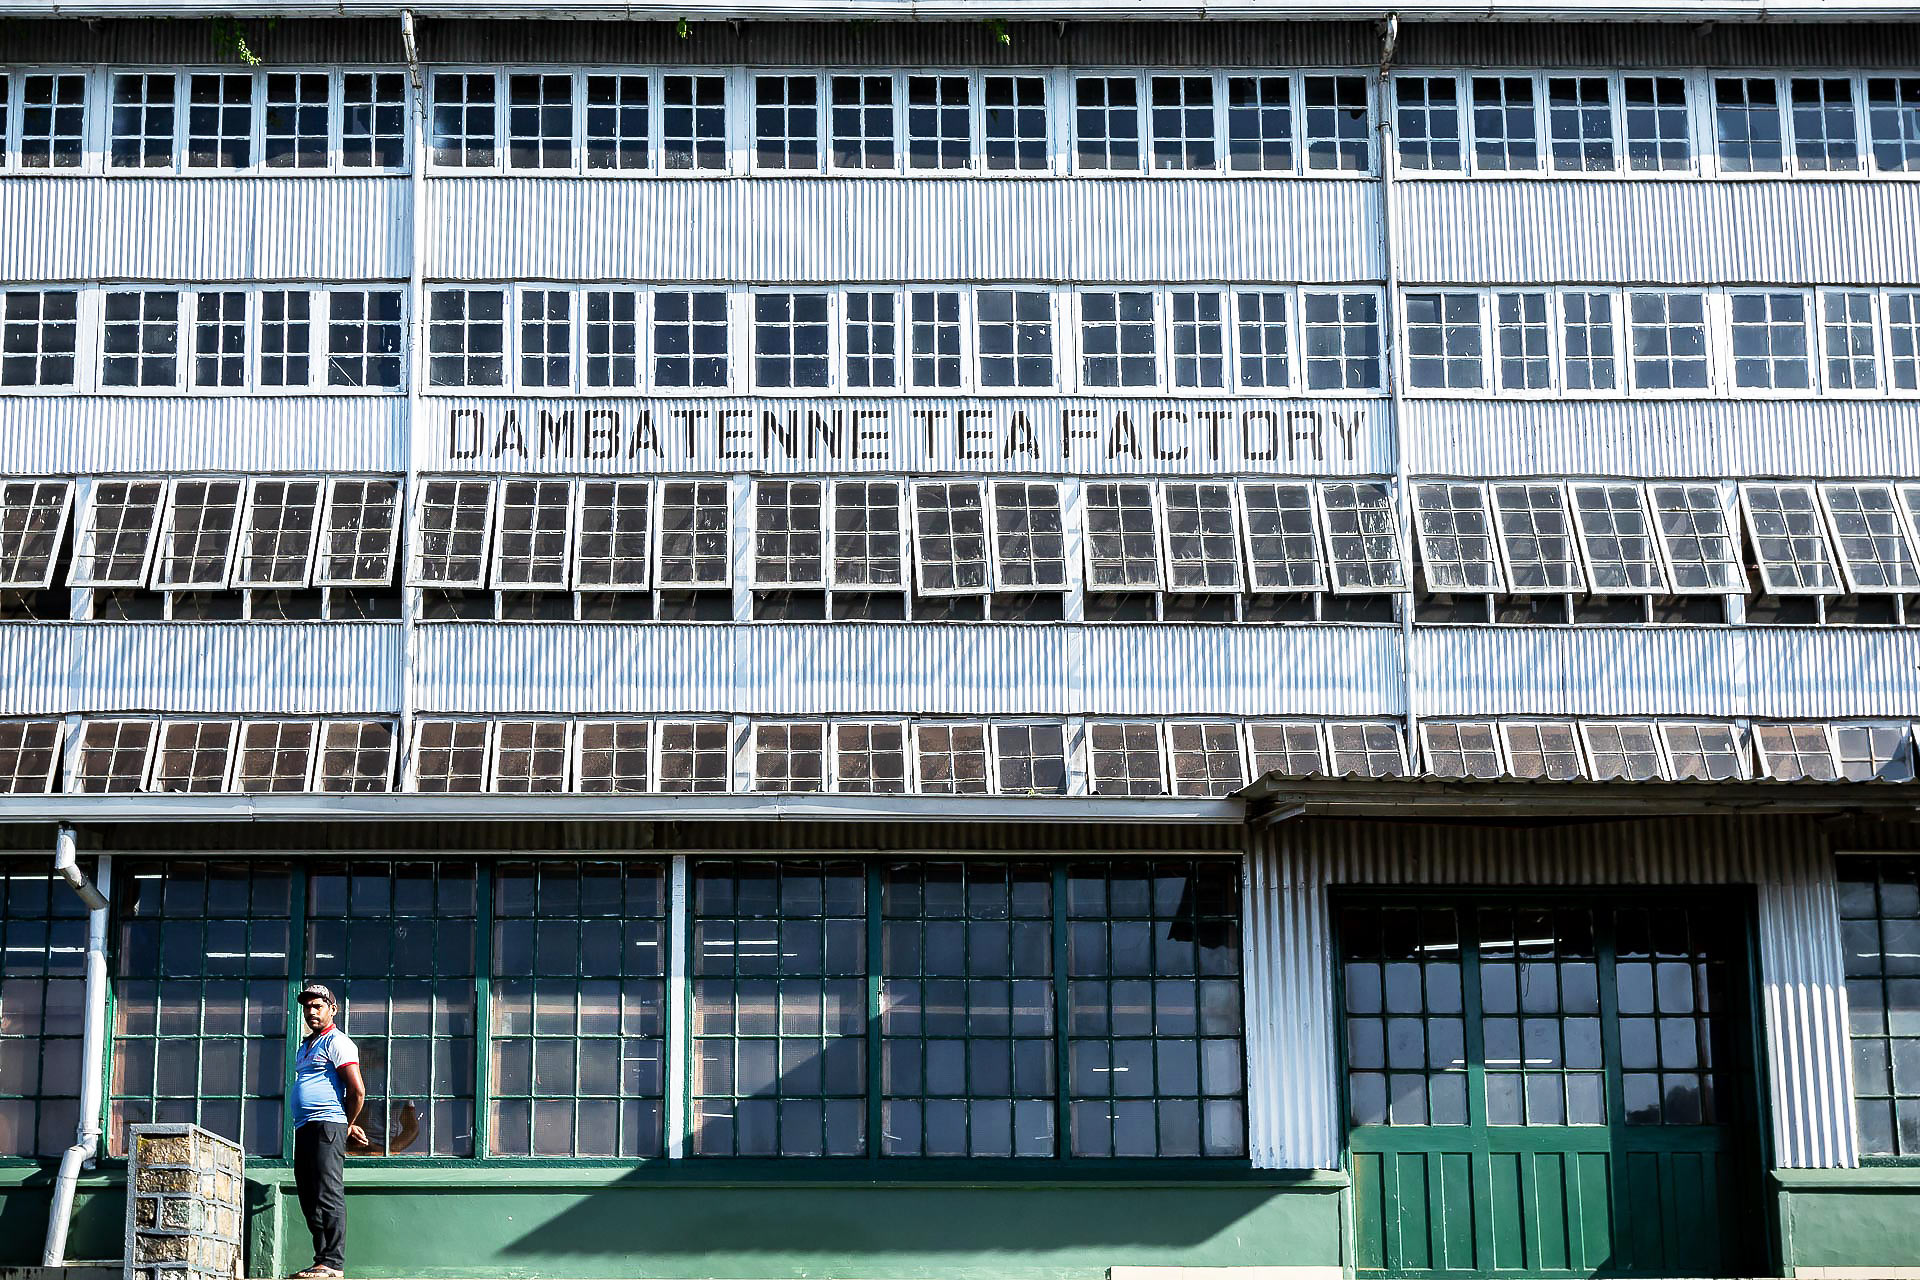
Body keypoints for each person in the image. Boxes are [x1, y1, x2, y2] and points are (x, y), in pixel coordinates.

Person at [289, 983, 366, 1279]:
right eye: (307, 1007)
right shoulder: (306, 1046)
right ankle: (321, 1260)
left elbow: (357, 1091)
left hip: (327, 1126)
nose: (311, 1012)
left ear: (332, 1009)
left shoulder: (338, 1041)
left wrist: (345, 1124)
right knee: (308, 1194)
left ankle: (333, 1263)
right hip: (305, 1127)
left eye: (317, 1006)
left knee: (328, 1193)